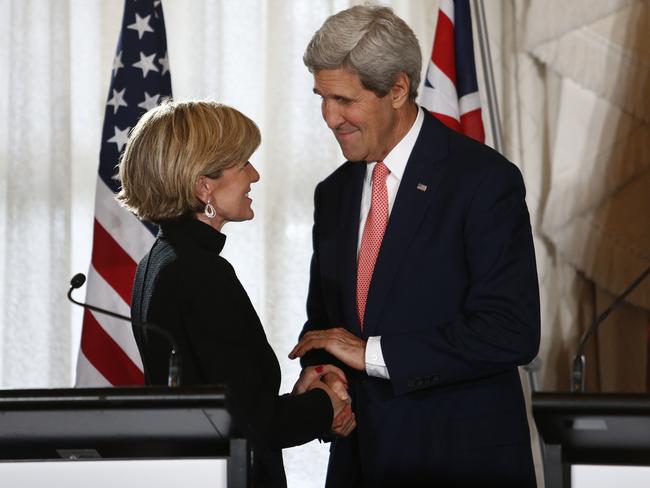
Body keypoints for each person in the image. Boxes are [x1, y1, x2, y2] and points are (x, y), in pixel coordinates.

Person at [289, 6, 540, 487]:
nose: (329, 118)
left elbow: (510, 331)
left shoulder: (483, 181)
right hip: (359, 463)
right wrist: (326, 373)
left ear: (398, 89)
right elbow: (326, 324)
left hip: (457, 464)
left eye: (344, 100)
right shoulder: (334, 192)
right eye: (321, 98)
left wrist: (373, 354)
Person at [116, 100, 355, 487]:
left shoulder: (158, 260)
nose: (255, 175)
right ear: (203, 185)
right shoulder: (200, 272)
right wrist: (326, 404)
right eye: (243, 162)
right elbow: (251, 426)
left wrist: (300, 403)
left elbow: (225, 406)